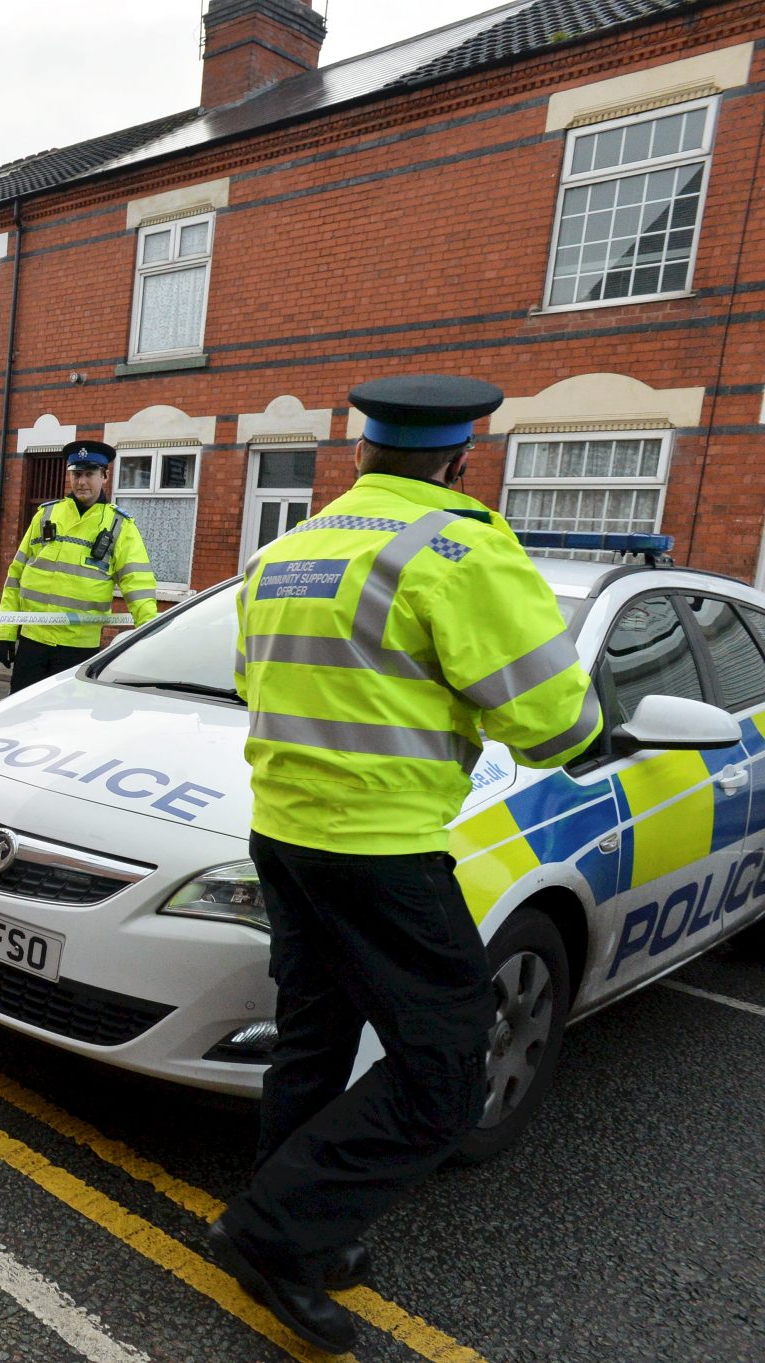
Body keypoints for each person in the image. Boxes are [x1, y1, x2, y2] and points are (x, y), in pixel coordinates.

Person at [210, 375, 602, 1352]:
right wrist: (594, 725)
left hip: (284, 838)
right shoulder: (461, 547)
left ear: (359, 457)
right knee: (441, 1074)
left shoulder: (286, 549)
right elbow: (551, 721)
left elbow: (248, 681)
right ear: (458, 462)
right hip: (379, 850)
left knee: (312, 1039)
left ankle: (290, 1229)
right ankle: (268, 1232)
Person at [0, 439, 157, 694]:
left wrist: (151, 640)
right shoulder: (45, 515)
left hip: (78, 649)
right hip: (32, 642)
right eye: (76, 474)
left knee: (67, 725)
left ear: (104, 476)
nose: (82, 482)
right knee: (22, 723)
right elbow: (16, 576)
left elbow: (138, 585)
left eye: (89, 474)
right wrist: (5, 631)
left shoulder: (120, 526)